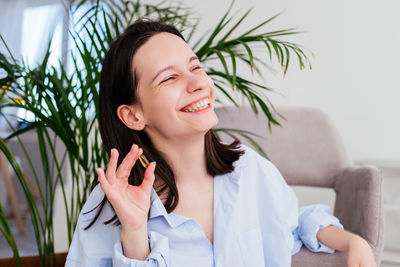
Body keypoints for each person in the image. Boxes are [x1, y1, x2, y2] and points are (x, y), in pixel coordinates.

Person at [65, 19, 376, 267]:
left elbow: (293, 221)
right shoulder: (109, 207)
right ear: (133, 115)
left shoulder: (249, 170)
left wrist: (352, 242)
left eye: (195, 67)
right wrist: (134, 235)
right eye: (169, 78)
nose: (199, 83)